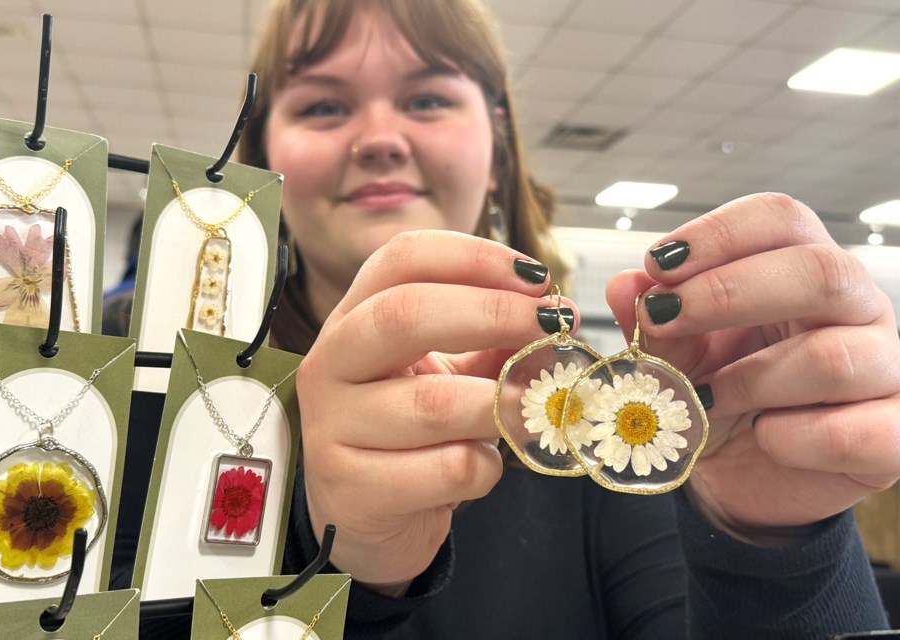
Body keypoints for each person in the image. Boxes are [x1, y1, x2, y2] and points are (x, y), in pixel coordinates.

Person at [238, 0, 900, 637]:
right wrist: (340, 574)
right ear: (263, 154)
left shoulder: (603, 431)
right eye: (323, 104)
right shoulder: (156, 386)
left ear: (497, 146)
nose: (380, 139)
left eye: (427, 99)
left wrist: (774, 546)